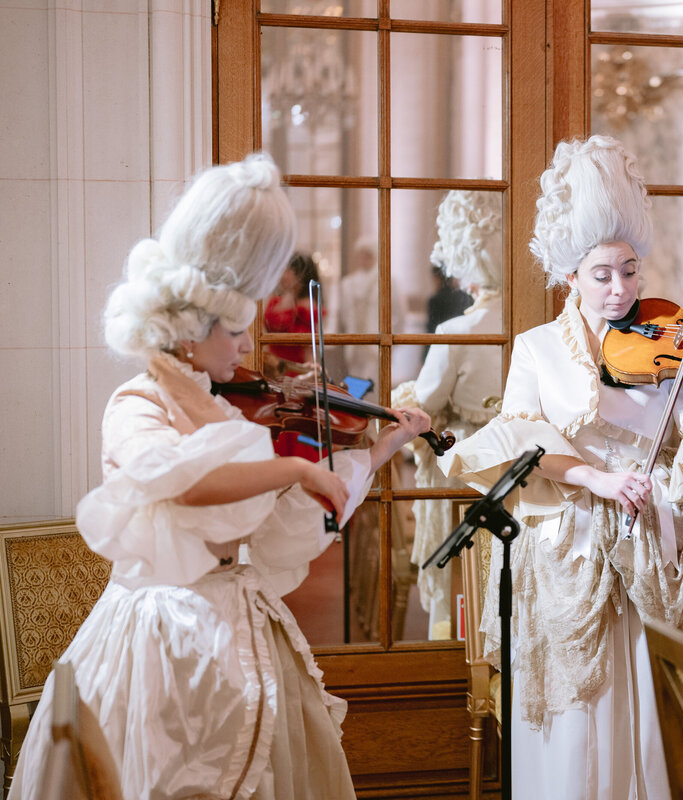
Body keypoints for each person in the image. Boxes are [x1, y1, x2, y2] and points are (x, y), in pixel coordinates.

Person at [9, 154, 432, 800]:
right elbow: (179, 484)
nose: (246, 347)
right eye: (235, 330)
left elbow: (297, 504)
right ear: (187, 333)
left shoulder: (219, 399)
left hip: (241, 622)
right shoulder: (138, 404)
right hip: (163, 636)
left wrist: (384, 444)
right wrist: (289, 463)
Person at [437, 135, 683, 799]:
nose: (620, 289)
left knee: (648, 716)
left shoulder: (667, 340)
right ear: (570, 275)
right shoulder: (535, 351)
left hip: (652, 546)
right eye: (602, 274)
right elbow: (521, 438)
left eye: (630, 269)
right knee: (577, 725)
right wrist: (599, 478)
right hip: (570, 554)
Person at [392, 189, 505, 639]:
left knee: (458, 575)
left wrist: (403, 397)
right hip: (517, 464)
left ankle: (455, 641)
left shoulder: (458, 330)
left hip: (463, 469)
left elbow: (427, 402)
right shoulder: (532, 325)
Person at [263, 251, 321, 377]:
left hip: (294, 369)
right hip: (272, 365)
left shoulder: (306, 307)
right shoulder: (276, 300)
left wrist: (311, 374)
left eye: (285, 270)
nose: (281, 275)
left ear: (297, 274)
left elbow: (309, 348)